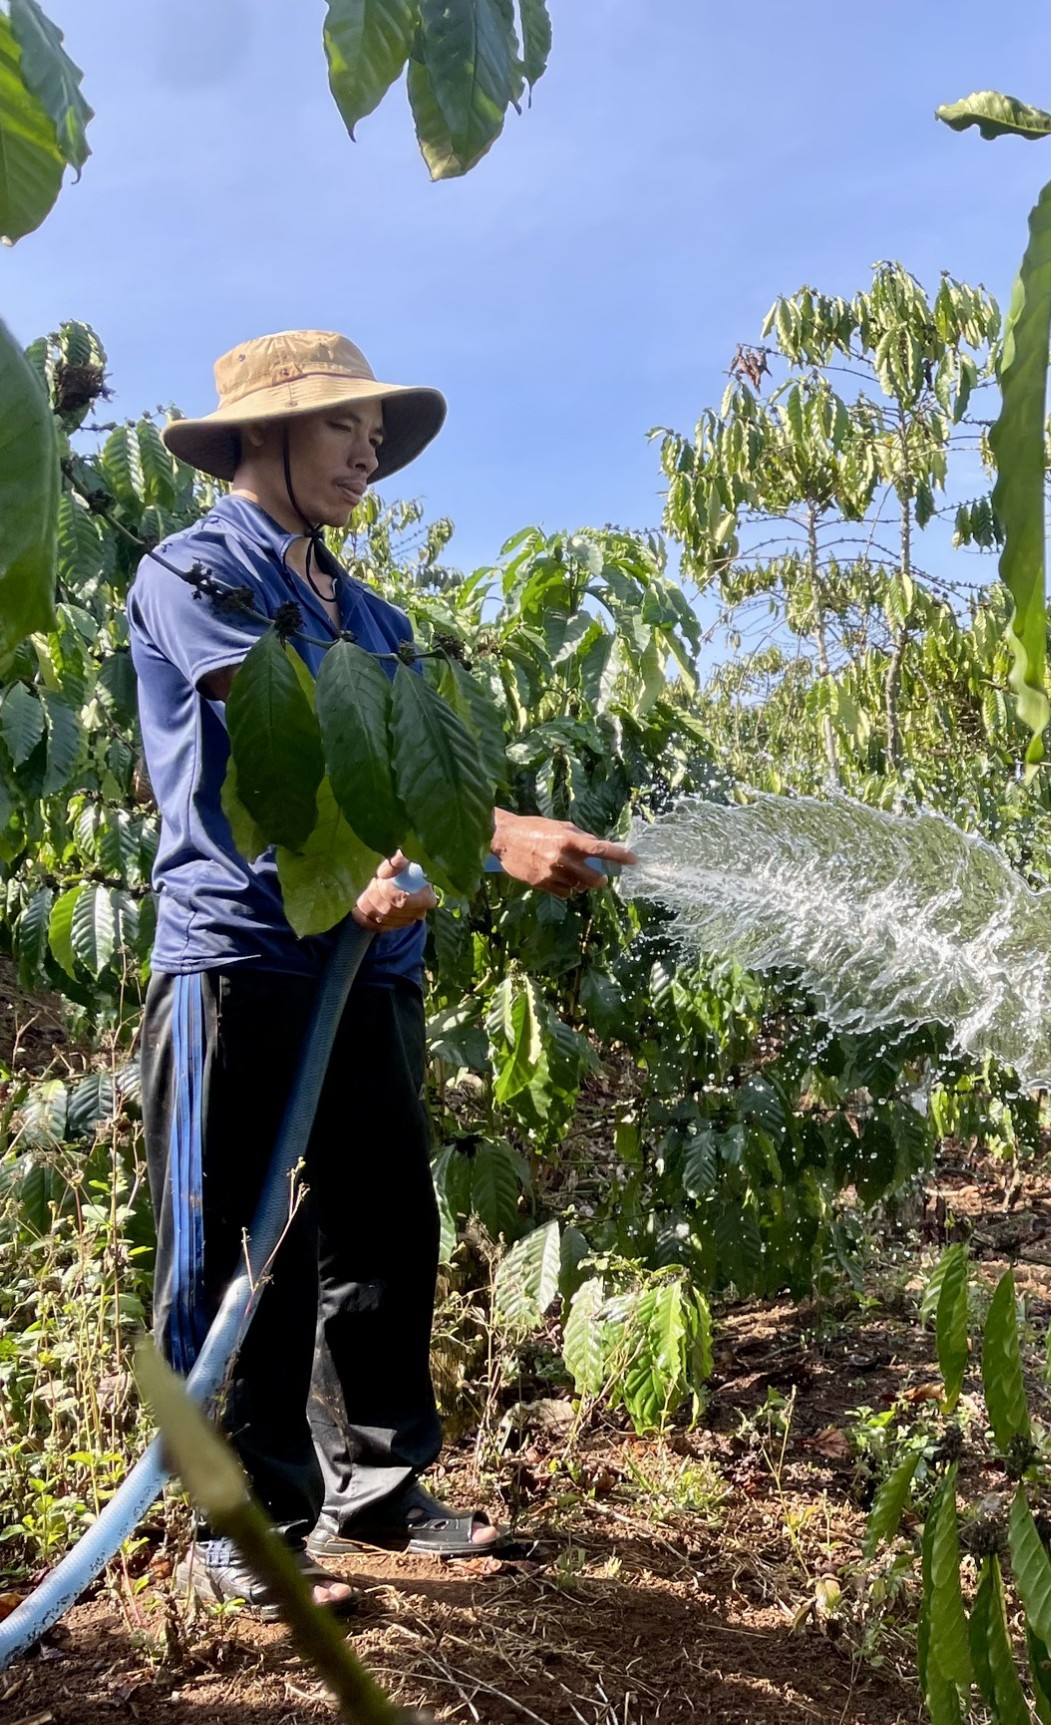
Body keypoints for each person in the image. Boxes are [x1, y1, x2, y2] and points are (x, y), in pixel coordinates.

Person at [136, 330, 629, 1616]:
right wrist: (498, 838)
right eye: (343, 427)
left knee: (381, 1223)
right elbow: (284, 726)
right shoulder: (196, 573)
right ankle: (240, 1522)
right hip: (241, 952)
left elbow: (407, 764)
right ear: (262, 438)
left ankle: (381, 1485)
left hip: (369, 961)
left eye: (374, 432)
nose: (369, 453)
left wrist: (491, 832)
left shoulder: (377, 616)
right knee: (239, 1240)